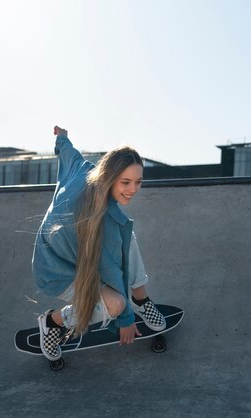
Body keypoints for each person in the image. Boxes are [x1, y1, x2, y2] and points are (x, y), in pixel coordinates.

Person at [31, 126, 166, 361]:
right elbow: (111, 271)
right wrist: (126, 319)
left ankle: (141, 298)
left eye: (138, 182)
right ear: (111, 177)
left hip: (63, 253)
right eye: (125, 182)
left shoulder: (86, 170)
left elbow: (69, 154)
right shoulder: (98, 220)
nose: (133, 190)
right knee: (115, 304)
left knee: (127, 236)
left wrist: (61, 138)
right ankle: (53, 322)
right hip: (56, 273)